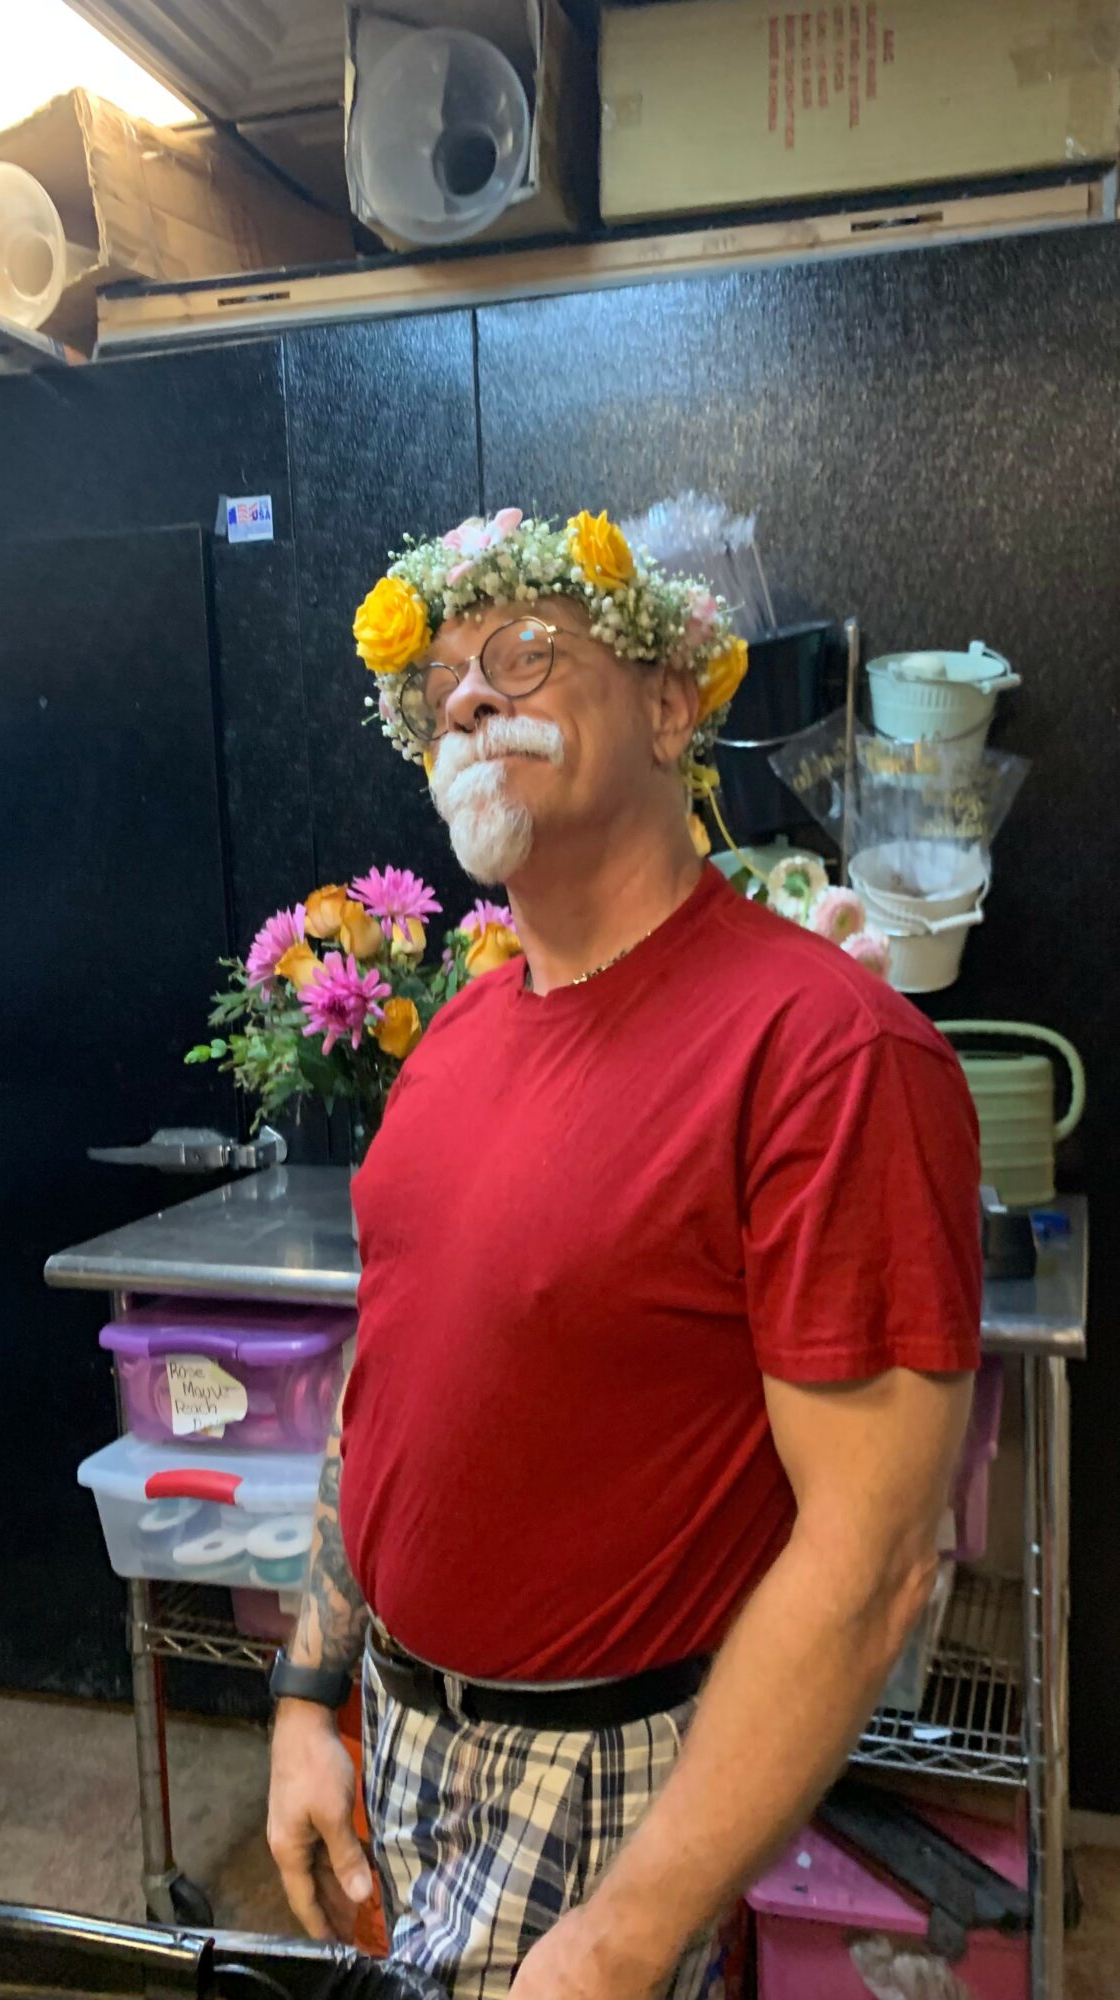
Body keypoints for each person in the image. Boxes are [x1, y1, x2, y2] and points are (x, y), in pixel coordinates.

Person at [267, 507, 981, 2000]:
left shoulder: (827, 1051)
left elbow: (870, 1564)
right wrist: (304, 1694)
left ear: (669, 706)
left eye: (525, 653)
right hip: (398, 1735)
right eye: (442, 679)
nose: (471, 695)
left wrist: (632, 1927)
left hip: (607, 1780)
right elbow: (382, 1385)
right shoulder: (459, 1032)